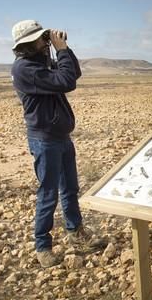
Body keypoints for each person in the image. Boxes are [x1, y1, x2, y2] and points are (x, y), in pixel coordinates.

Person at [10, 19, 102, 268]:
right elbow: (66, 82)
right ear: (28, 44)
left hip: (60, 137)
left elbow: (74, 74)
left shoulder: (41, 63)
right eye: (42, 38)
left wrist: (65, 50)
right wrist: (60, 50)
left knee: (70, 188)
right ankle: (43, 246)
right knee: (48, 194)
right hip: (44, 139)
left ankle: (76, 234)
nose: (45, 41)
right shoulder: (25, 69)